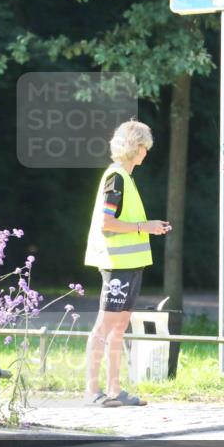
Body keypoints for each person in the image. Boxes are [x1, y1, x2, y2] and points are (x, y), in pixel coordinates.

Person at [83, 120, 170, 408]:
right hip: (116, 264)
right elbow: (108, 223)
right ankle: (93, 391)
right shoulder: (116, 178)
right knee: (104, 327)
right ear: (136, 147)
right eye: (145, 146)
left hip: (130, 264)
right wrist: (146, 226)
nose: (147, 151)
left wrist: (149, 227)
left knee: (119, 328)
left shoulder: (126, 178)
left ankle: (114, 390)